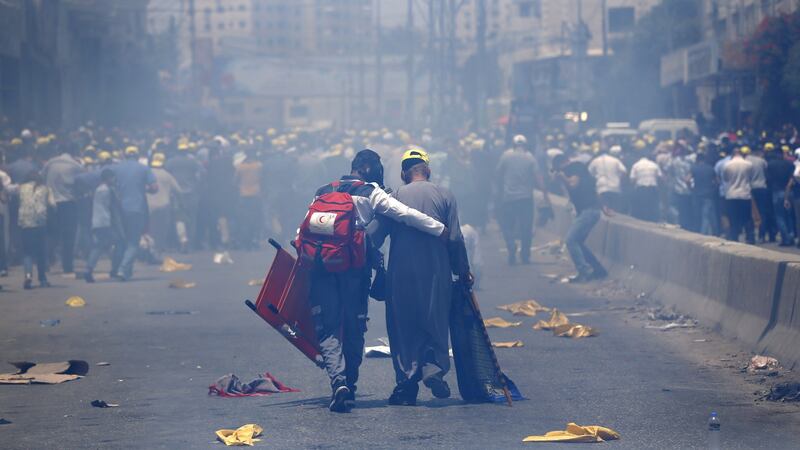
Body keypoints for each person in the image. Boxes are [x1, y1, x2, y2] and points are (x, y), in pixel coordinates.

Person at [303, 149, 447, 413]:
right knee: (355, 327)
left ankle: (339, 383)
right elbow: (404, 213)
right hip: (354, 272)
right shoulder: (370, 192)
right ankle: (351, 384)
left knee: (329, 328)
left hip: (321, 269)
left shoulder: (323, 191)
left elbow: (303, 231)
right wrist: (438, 228)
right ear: (370, 168)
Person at [379, 147, 471, 407]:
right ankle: (433, 370)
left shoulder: (393, 196)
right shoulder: (445, 195)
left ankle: (407, 382)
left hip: (401, 273)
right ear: (427, 171)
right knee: (435, 320)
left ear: (403, 173)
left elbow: (375, 236)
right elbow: (454, 238)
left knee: (403, 325)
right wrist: (462, 270)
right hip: (436, 271)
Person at [552, 154, 610, 283]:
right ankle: (598, 270)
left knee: (571, 240)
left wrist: (563, 178)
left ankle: (584, 271)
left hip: (588, 211)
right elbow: (593, 191)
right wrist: (603, 207)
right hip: (590, 210)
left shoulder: (573, 167)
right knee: (578, 242)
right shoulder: (581, 169)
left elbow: (574, 184)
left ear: (562, 164)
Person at [494, 134, 551, 265]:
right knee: (526, 227)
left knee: (507, 225)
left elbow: (498, 174)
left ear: (513, 145)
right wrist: (545, 195)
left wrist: (498, 191)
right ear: (525, 145)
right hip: (526, 198)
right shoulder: (530, 158)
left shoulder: (506, 156)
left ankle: (510, 244)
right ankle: (525, 255)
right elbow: (539, 178)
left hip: (509, 198)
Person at [111, 146, 158, 280]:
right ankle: (123, 269)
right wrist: (143, 189)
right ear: (137, 156)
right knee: (133, 242)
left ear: (125, 156)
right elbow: (154, 188)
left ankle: (116, 269)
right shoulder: (144, 168)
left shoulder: (116, 168)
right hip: (137, 209)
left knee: (121, 241)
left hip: (119, 210)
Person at [42, 143, 84, 274]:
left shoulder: (49, 164)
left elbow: (42, 177)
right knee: (69, 236)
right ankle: (67, 266)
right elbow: (81, 183)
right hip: (68, 203)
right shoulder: (76, 165)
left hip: (51, 202)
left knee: (51, 235)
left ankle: (46, 263)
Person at [85, 169, 123, 283]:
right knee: (118, 242)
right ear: (108, 178)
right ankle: (112, 268)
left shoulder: (97, 189)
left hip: (96, 221)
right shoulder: (108, 190)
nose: (115, 180)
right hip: (105, 222)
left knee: (102, 245)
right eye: (113, 177)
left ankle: (93, 269)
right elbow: (114, 207)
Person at [165, 141, 204, 252]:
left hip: (176, 193)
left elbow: (166, 174)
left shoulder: (171, 162)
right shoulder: (193, 161)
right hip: (191, 193)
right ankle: (190, 243)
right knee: (192, 218)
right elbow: (202, 173)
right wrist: (197, 184)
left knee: (179, 218)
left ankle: (182, 240)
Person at [17, 171, 50, 289]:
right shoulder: (45, 189)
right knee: (41, 253)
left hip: (25, 224)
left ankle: (28, 276)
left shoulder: (20, 188)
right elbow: (52, 204)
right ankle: (42, 279)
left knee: (27, 253)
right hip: (40, 224)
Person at [147, 153, 180, 257]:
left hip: (148, 206)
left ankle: (149, 251)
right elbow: (178, 190)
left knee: (150, 230)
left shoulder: (147, 173)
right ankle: (158, 252)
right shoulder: (167, 175)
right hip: (164, 206)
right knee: (161, 231)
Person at [723, 147, 755, 244]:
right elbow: (751, 177)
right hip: (745, 193)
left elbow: (726, 179)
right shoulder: (749, 164)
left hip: (731, 194)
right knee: (747, 218)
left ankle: (734, 237)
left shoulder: (727, 165)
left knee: (733, 217)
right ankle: (750, 237)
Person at [233, 145, 263, 250]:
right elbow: (262, 179)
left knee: (245, 219)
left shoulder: (240, 166)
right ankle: (254, 240)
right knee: (256, 219)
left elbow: (235, 181)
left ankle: (245, 241)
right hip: (256, 194)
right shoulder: (258, 165)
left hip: (243, 195)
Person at [768, 148, 795, 246]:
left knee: (780, 216)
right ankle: (791, 236)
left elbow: (768, 179)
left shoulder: (770, 165)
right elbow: (792, 178)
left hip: (776, 191)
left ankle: (786, 238)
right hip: (789, 191)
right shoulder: (789, 164)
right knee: (789, 216)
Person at [588, 145, 627, 213]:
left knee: (604, 207)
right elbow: (624, 171)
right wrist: (620, 178)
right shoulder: (615, 160)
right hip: (615, 185)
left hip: (601, 186)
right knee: (614, 208)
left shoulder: (595, 160)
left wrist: (595, 178)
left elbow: (589, 172)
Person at [746, 146, 774, 242]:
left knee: (751, 212)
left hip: (750, 188)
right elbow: (767, 174)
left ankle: (751, 235)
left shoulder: (746, 161)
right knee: (762, 211)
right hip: (762, 187)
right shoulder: (762, 161)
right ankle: (762, 235)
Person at [691, 152, 719, 236]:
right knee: (707, 215)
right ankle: (712, 232)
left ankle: (702, 233)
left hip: (697, 194)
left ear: (697, 159)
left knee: (699, 214)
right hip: (708, 195)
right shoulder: (710, 168)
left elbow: (687, 179)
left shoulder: (694, 168)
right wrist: (713, 189)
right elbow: (717, 181)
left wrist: (691, 188)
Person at [629, 153, 661, 222]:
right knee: (652, 207)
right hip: (653, 188)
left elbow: (632, 179)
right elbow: (660, 177)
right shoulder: (654, 165)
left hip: (641, 188)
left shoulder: (636, 165)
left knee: (641, 208)